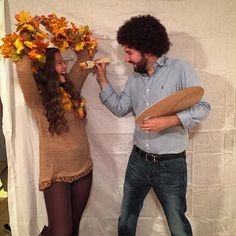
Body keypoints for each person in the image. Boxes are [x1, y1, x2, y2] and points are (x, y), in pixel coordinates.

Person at [94, 15, 210, 236]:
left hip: (170, 165)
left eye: (129, 53)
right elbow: (120, 108)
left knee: (178, 225)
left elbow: (203, 107)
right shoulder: (134, 78)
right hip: (138, 161)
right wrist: (102, 80)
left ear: (147, 49)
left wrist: (170, 120)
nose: (127, 59)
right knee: (126, 220)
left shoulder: (180, 69)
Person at [15, 46, 93, 236]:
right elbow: (23, 68)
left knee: (73, 228)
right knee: (61, 232)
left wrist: (69, 36)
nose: (64, 66)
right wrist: (26, 35)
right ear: (48, 69)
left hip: (83, 167)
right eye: (59, 63)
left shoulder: (70, 87)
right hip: (56, 172)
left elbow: (84, 56)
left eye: (63, 62)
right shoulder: (37, 99)